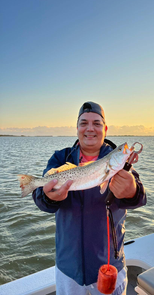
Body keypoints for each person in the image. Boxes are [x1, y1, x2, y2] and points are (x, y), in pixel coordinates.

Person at [32, 101, 146, 295]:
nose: (90, 129)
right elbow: (41, 199)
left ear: (105, 129)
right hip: (68, 267)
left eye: (97, 123)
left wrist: (131, 190)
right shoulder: (61, 158)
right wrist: (49, 196)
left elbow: (140, 197)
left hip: (110, 264)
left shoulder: (119, 163)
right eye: (84, 123)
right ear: (77, 128)